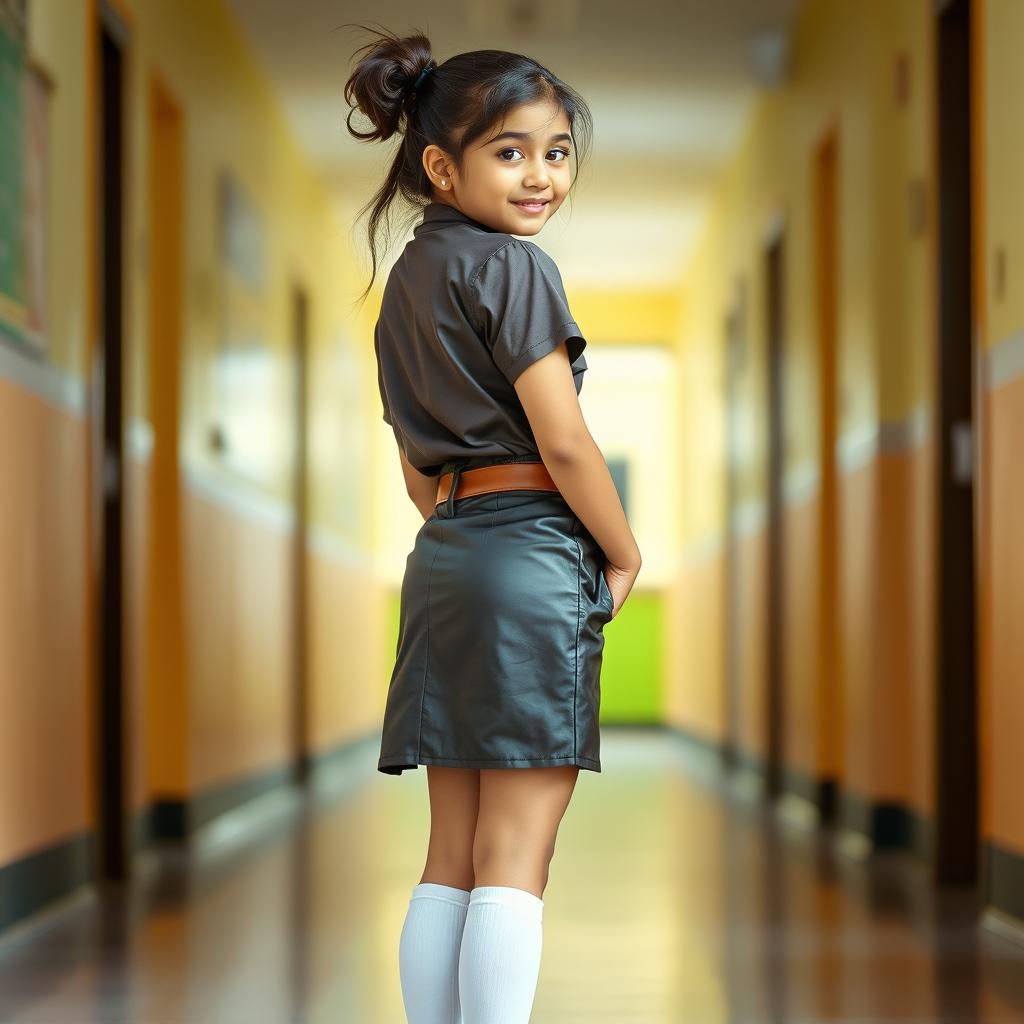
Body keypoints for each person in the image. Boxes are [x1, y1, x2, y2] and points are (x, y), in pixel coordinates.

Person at [343, 25, 642, 1024]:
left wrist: (468, 521)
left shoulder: (403, 291)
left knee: (451, 854)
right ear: (441, 165)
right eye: (509, 152)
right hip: (527, 555)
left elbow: (416, 466)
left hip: (446, 556)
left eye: (556, 153)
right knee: (514, 855)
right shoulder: (514, 270)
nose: (540, 178)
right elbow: (563, 442)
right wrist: (622, 546)